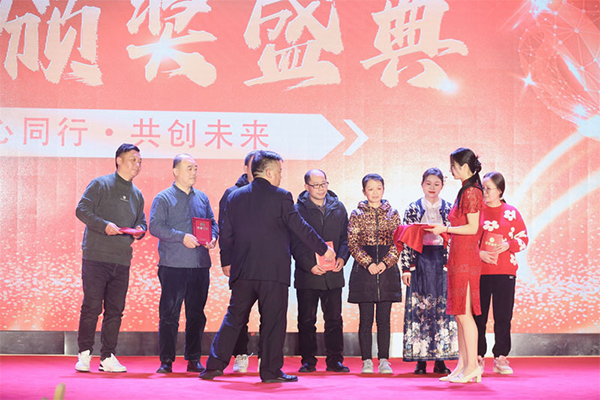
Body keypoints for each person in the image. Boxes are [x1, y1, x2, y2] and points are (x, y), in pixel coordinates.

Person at [200, 150, 335, 383]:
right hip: (273, 272)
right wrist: (324, 249)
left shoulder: (235, 196)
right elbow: (300, 227)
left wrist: (227, 262)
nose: (281, 175)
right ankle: (270, 372)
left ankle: (213, 367)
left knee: (234, 319)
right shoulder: (281, 196)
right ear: (270, 172)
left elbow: (226, 233)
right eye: (280, 171)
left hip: (243, 270)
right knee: (273, 322)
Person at [74, 143, 147, 373]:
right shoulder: (100, 184)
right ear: (119, 160)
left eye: (139, 161)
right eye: (133, 159)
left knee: (115, 310)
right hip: (96, 257)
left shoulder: (137, 194)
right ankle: (84, 354)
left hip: (122, 259)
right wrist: (104, 225)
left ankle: (107, 356)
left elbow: (142, 222)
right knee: (92, 307)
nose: (137, 164)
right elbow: (81, 210)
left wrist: (140, 230)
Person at [149, 154, 218, 374]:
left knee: (196, 314)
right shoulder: (163, 198)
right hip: (173, 265)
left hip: (199, 265)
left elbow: (212, 223)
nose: (194, 172)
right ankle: (166, 360)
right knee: (169, 314)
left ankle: (194, 358)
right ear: (175, 171)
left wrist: (213, 238)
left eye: (195, 168)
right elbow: (155, 226)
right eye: (189, 168)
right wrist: (181, 237)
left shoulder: (202, 198)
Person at [426, 147, 484, 384]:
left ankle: (473, 367)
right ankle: (462, 366)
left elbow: (473, 228)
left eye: (454, 166)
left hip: (467, 259)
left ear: (464, 166)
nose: (451, 170)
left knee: (464, 314)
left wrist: (446, 229)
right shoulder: (465, 190)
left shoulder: (471, 191)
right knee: (459, 314)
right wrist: (444, 232)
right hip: (458, 256)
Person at [291, 169, 351, 373]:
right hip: (308, 273)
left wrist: (342, 257)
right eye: (315, 185)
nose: (320, 188)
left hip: (333, 273)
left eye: (323, 184)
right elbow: (294, 242)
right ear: (306, 187)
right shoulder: (297, 210)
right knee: (307, 319)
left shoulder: (338, 207)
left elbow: (346, 237)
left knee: (334, 319)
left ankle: (335, 360)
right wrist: (308, 264)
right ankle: (308, 360)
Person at [400, 168, 458, 374]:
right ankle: (421, 359)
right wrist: (406, 268)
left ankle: (441, 360)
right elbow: (406, 240)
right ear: (422, 184)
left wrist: (451, 266)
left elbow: (454, 240)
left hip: (442, 263)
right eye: (428, 183)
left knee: (442, 310)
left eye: (436, 184)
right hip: (420, 263)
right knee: (420, 309)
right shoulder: (412, 208)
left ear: (442, 185)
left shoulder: (450, 209)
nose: (432, 187)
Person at [347, 174, 402, 375]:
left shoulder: (393, 213)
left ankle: (384, 360)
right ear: (364, 192)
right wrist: (368, 263)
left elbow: (398, 242)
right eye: (370, 189)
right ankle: (367, 360)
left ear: (383, 189)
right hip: (364, 273)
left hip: (387, 272)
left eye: (378, 188)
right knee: (366, 319)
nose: (375, 192)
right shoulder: (357, 214)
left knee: (384, 320)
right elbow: (352, 243)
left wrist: (385, 263)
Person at [475, 172, 528, 375]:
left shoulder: (511, 212)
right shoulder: (476, 211)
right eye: (483, 188)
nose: (485, 192)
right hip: (480, 271)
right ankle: (477, 356)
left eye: (489, 189)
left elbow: (523, 239)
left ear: (500, 190)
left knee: (503, 316)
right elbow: (465, 240)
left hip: (505, 271)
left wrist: (508, 245)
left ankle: (501, 357)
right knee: (478, 316)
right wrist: (478, 253)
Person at [217, 150, 258, 373]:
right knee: (240, 311)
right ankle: (240, 353)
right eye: (253, 165)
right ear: (245, 168)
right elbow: (225, 229)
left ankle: (266, 357)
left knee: (269, 311)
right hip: (240, 264)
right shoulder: (232, 194)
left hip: (265, 263)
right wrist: (226, 260)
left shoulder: (271, 193)